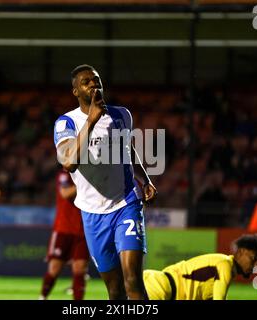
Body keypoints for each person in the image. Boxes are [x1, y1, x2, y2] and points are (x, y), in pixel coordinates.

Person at [54, 64, 157, 300]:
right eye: (86, 82)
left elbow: (127, 150)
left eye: (96, 80)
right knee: (115, 290)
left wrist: (145, 178)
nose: (93, 85)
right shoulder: (66, 123)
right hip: (92, 213)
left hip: (126, 203)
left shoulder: (122, 115)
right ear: (76, 92)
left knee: (133, 281)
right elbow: (69, 163)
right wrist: (91, 121)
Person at [143, 234, 257, 300]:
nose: (256, 265)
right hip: (159, 288)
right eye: (253, 259)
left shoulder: (225, 268)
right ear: (240, 252)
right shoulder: (225, 265)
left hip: (157, 285)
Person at [39, 169, 89, 300]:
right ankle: (42, 297)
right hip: (63, 229)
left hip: (83, 230)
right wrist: (85, 184)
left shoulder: (89, 173)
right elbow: (65, 193)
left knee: (80, 269)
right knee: (54, 268)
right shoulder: (64, 174)